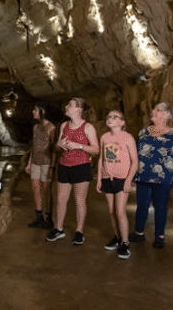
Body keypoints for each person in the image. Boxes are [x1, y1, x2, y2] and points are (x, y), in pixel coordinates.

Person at [129, 102, 173, 249]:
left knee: (160, 207)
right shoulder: (143, 132)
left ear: (167, 115)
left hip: (164, 177)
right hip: (143, 175)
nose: (153, 111)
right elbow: (136, 154)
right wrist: (132, 174)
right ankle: (139, 233)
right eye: (154, 109)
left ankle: (159, 237)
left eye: (158, 110)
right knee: (141, 205)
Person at [46, 98, 99, 245]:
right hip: (64, 165)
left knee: (79, 201)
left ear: (79, 110)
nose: (67, 106)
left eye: (70, 105)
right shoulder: (64, 125)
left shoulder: (88, 127)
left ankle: (79, 231)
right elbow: (57, 145)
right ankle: (59, 229)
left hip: (81, 166)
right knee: (61, 199)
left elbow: (96, 149)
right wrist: (60, 144)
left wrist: (79, 146)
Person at [96, 110, 138, 259]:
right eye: (109, 116)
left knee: (120, 211)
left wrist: (128, 181)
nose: (111, 118)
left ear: (122, 123)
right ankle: (117, 237)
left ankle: (125, 243)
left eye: (115, 117)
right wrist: (100, 178)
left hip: (122, 179)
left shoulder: (128, 138)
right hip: (108, 178)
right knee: (111, 210)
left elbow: (135, 161)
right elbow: (101, 158)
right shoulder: (104, 137)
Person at [25, 103, 57, 229]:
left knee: (47, 191)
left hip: (46, 163)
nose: (33, 111)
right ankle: (39, 217)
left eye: (36, 110)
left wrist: (52, 167)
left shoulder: (51, 127)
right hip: (35, 162)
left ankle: (49, 218)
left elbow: (54, 149)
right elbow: (34, 146)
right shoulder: (36, 127)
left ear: (42, 111)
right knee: (36, 190)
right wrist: (29, 162)